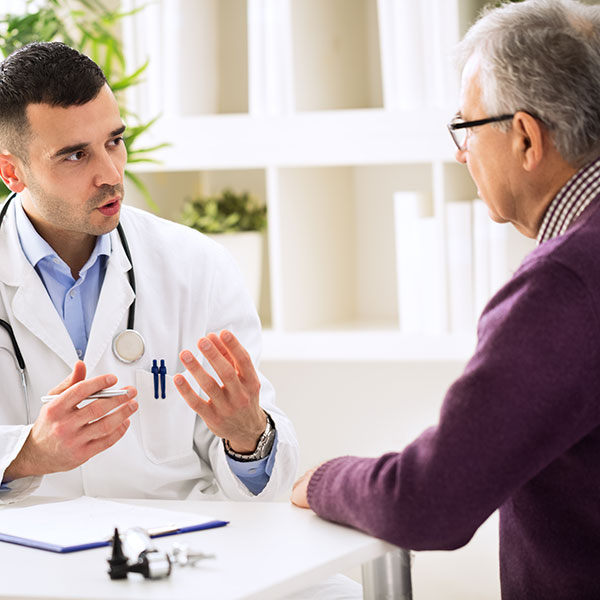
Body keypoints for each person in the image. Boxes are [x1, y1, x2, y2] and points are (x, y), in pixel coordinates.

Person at [292, 0, 600, 598]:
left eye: (467, 128)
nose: (461, 154)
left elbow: (428, 502)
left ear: (527, 138)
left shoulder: (566, 282)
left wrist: (323, 480)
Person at [0, 41, 299, 504]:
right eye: (76, 156)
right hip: (23, 557)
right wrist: (29, 453)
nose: (111, 174)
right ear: (11, 172)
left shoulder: (197, 265)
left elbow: (262, 485)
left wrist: (248, 436)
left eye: (114, 142)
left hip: (177, 546)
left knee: (341, 583)